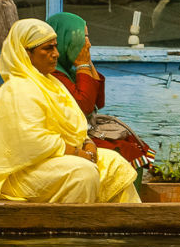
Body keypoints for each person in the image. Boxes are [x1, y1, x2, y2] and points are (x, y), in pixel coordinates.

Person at [0, 18, 140, 203]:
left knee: (115, 163)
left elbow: (76, 122)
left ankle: (126, 225)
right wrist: (78, 153)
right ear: (26, 54)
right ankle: (72, 229)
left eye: (55, 47)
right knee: (82, 173)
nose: (55, 54)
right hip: (21, 172)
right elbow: (33, 141)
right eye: (47, 48)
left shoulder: (51, 83)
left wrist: (88, 144)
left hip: (53, 161)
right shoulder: (17, 89)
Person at [46, 12, 154, 170]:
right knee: (120, 150)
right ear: (63, 39)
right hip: (69, 140)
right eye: (83, 38)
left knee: (131, 144)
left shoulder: (68, 70)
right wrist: (82, 64)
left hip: (86, 132)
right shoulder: (53, 74)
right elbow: (85, 106)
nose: (88, 44)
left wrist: (87, 61)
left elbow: (99, 101)